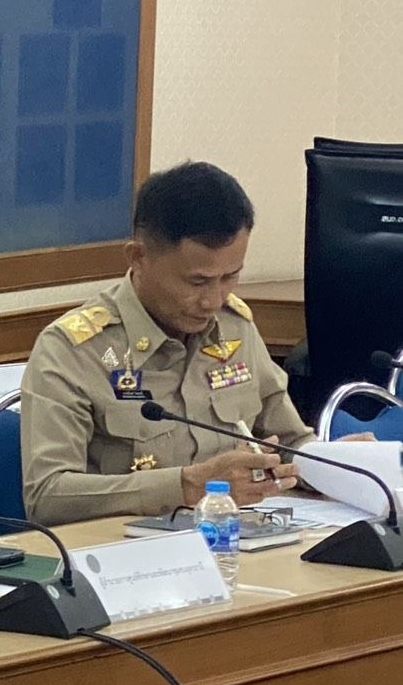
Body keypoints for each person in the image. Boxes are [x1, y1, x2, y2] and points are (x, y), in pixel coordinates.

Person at [21, 161, 314, 526]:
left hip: (238, 541)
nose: (213, 300)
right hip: (126, 551)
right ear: (139, 258)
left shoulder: (234, 326)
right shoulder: (75, 350)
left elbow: (289, 443)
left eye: (230, 277)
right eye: (197, 282)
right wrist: (186, 487)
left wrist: (338, 464)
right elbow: (47, 496)